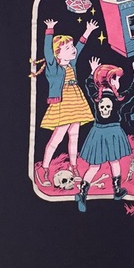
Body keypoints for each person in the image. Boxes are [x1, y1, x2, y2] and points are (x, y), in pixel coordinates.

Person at [34, 18, 98, 186]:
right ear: (57, 54)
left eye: (71, 47)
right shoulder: (53, 67)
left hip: (76, 102)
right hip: (63, 104)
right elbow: (47, 51)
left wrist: (88, 30)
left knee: (74, 136)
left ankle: (73, 166)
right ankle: (44, 169)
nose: (73, 49)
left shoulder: (71, 64)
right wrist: (49, 30)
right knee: (57, 137)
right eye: (68, 48)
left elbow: (80, 47)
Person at [76, 56, 134, 212]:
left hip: (98, 132)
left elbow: (88, 84)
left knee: (94, 165)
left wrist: (92, 71)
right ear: (110, 81)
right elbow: (132, 91)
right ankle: (117, 190)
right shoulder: (118, 98)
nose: (118, 82)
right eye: (116, 79)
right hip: (113, 132)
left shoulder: (96, 97)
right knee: (114, 162)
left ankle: (82, 193)